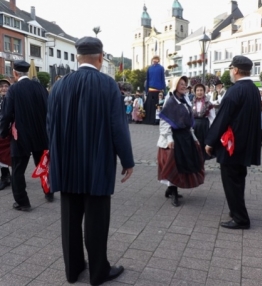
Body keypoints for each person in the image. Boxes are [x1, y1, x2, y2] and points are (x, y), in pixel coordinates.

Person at [47, 36, 134, 285]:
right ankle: (98, 272)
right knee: (97, 220)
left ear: (76, 56)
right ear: (100, 57)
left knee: (70, 220)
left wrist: (55, 159)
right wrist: (127, 160)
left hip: (67, 165)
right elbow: (118, 127)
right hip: (97, 163)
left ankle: (72, 270)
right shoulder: (107, 85)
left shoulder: (59, 86)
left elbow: (50, 127)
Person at [205, 55, 261, 230]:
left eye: (230, 69)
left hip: (231, 144)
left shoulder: (235, 90)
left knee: (231, 181)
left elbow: (222, 119)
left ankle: (240, 218)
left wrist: (210, 141)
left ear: (235, 70)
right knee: (238, 179)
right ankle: (236, 210)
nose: (230, 72)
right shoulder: (253, 89)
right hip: (245, 143)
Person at [0, 61, 52, 211]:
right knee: (43, 164)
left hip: (20, 135)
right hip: (41, 134)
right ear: (28, 72)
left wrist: (3, 133)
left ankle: (22, 202)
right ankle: (48, 192)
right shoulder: (40, 87)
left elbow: (7, 114)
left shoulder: (13, 89)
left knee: (18, 170)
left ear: (15, 73)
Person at [157, 76, 205, 207]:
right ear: (175, 85)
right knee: (175, 165)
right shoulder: (171, 101)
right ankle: (173, 191)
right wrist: (169, 138)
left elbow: (188, 124)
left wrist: (194, 139)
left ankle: (171, 189)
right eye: (181, 84)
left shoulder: (185, 101)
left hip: (185, 138)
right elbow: (164, 121)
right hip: (173, 138)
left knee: (184, 165)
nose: (184, 86)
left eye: (185, 84)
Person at [192, 83, 215, 161]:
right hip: (194, 126)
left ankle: (201, 165)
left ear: (204, 91)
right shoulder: (191, 102)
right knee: (194, 145)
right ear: (195, 92)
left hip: (204, 126)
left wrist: (212, 130)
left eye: (201, 90)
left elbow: (212, 118)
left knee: (202, 145)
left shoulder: (208, 103)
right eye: (197, 90)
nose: (199, 92)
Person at [144, 55, 166, 124]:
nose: (155, 60)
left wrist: (163, 89)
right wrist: (146, 90)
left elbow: (163, 78)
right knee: (149, 106)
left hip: (158, 90)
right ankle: (149, 120)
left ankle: (157, 120)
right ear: (152, 60)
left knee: (157, 106)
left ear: (158, 60)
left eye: (156, 59)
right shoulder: (149, 68)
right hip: (150, 89)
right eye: (154, 59)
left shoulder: (161, 68)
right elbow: (147, 79)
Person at [0, 77, 12, 191]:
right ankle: (5, 176)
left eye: (6, 86)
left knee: (11, 155)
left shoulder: (12, 98)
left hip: (10, 131)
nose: (4, 88)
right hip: (1, 131)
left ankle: (11, 176)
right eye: (2, 86)